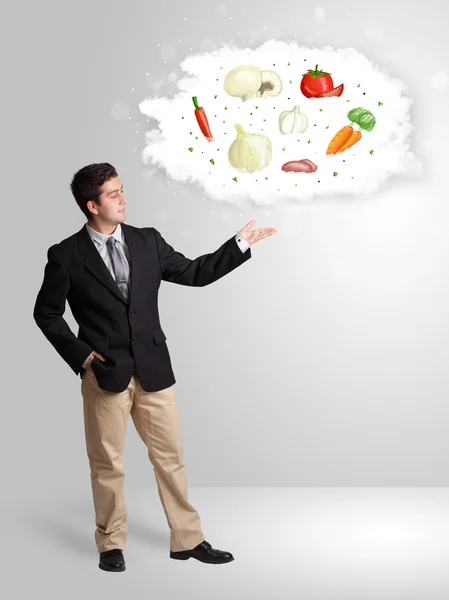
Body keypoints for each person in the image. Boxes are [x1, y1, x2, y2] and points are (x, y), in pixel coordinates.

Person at [33, 162, 277, 572]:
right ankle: (111, 543)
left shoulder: (147, 241)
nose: (123, 198)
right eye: (113, 194)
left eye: (122, 190)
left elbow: (195, 273)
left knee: (171, 458)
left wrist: (237, 244)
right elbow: (47, 313)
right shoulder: (65, 256)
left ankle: (188, 539)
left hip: (153, 370)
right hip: (105, 374)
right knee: (107, 463)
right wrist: (82, 356)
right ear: (92, 205)